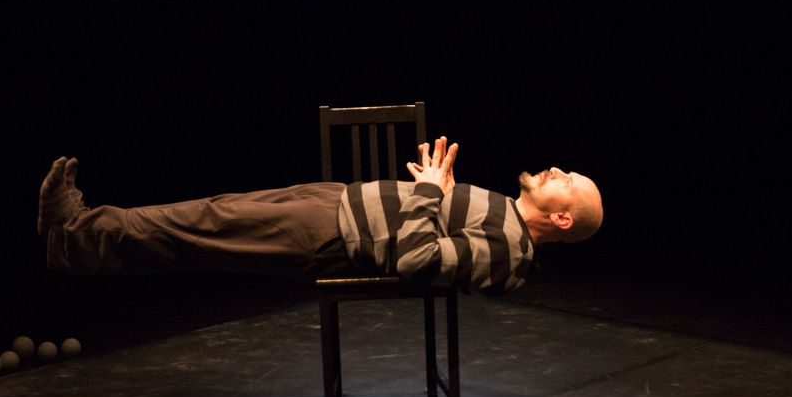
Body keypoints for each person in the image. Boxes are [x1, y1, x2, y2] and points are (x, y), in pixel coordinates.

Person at [37, 137, 603, 295]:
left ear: (562, 220)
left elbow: (418, 261)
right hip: (337, 202)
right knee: (207, 213)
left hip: (333, 234)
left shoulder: (509, 252)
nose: (557, 170)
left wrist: (429, 194)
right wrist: (434, 193)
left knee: (199, 228)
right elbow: (431, 234)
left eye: (568, 181)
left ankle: (75, 236)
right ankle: (77, 232)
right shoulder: (505, 219)